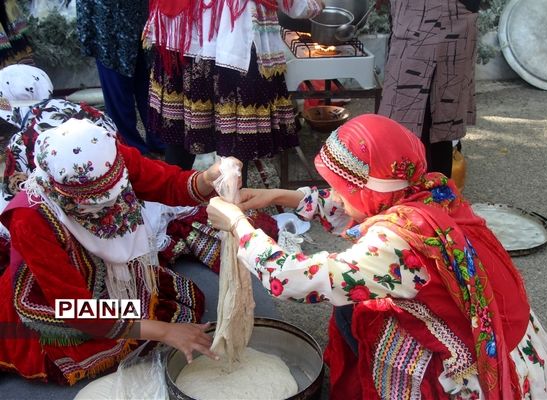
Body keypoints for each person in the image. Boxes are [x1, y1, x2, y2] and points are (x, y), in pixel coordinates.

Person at [207, 114, 547, 399]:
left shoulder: (400, 242)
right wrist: (278, 196)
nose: (332, 194)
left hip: (481, 370)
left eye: (339, 187)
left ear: (370, 189)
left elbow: (289, 278)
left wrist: (238, 224)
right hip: (508, 335)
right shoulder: (429, 189)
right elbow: (353, 207)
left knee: (357, 313)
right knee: (355, 305)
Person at [0, 118, 227, 384]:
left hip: (105, 275)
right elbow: (74, 309)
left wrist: (208, 178)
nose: (109, 204)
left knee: (166, 310)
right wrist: (164, 332)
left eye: (113, 192)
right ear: (59, 190)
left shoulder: (110, 158)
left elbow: (167, 183)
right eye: (96, 201)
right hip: (59, 297)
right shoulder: (30, 218)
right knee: (109, 341)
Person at [141, 0, 323, 175]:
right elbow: (298, 7)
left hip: (182, 38)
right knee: (234, 143)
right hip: (232, 46)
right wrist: (318, 5)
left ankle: (175, 202)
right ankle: (232, 200)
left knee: (181, 133)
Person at [377, 0, 478, 178]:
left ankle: (431, 196)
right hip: (416, 17)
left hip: (440, 17)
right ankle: (427, 194)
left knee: (429, 117)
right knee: (413, 116)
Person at [76, 0, 165, 156]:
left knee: (150, 86)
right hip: (109, 23)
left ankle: (159, 142)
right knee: (119, 91)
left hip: (142, 17)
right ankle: (132, 151)